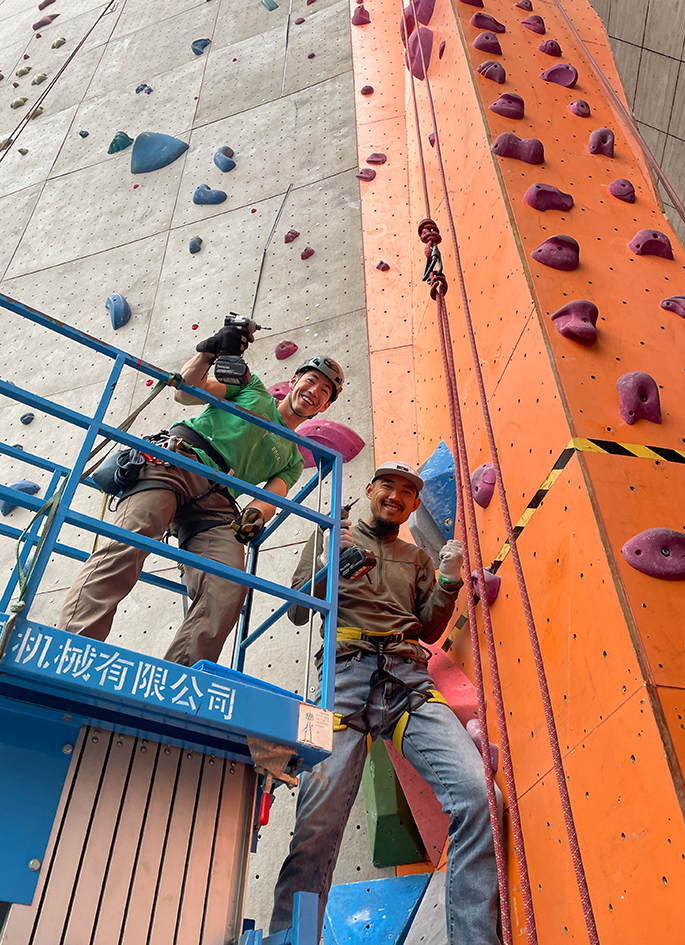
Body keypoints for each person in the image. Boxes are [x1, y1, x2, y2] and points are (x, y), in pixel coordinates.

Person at [270, 462, 501, 944]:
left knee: (481, 797)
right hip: (339, 679)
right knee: (314, 827)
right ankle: (292, 938)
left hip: (409, 680)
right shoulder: (331, 533)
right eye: (388, 486)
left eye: (407, 493)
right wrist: (330, 564)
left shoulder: (415, 558)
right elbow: (296, 609)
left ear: (413, 506)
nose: (396, 496)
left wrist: (448, 581)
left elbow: (429, 627)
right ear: (370, 489)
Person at [58, 318, 345, 667]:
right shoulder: (252, 389)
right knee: (132, 538)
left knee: (229, 585)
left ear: (324, 407)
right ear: (295, 380)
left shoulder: (292, 460)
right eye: (311, 380)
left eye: (324, 392)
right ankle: (71, 648)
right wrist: (209, 352)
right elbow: (186, 391)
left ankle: (178, 678)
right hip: (177, 460)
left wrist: (255, 517)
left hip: (217, 500)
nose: (314, 391)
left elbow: (269, 499)